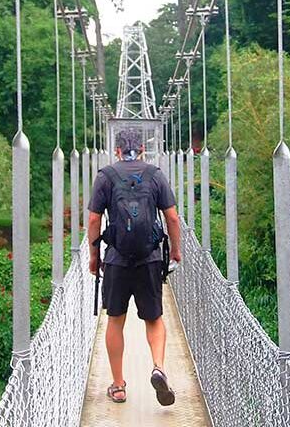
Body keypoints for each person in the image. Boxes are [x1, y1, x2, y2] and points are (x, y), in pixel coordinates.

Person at [88, 128, 182, 407]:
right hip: (149, 258)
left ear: (117, 150)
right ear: (142, 149)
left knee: (115, 320)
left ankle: (118, 386)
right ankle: (158, 367)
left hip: (116, 259)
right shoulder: (155, 174)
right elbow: (173, 219)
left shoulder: (106, 176)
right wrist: (175, 251)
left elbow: (94, 221)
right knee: (154, 319)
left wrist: (95, 257)